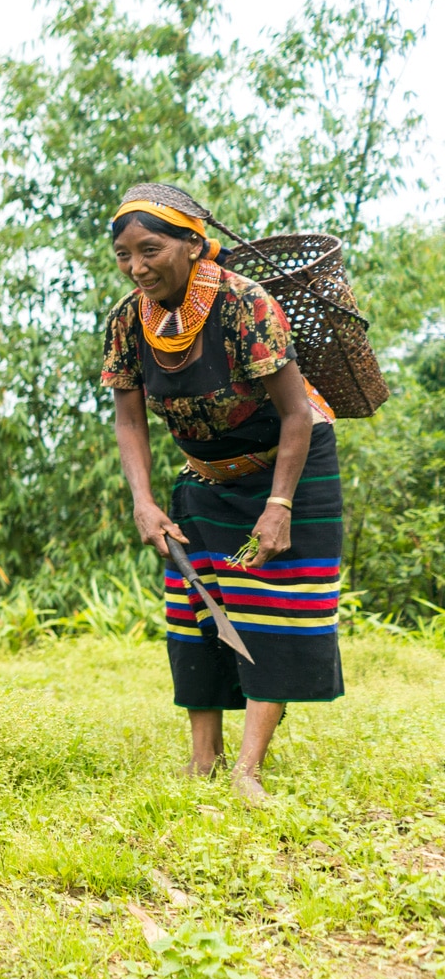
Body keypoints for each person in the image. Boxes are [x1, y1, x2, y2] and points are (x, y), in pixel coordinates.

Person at [102, 183, 343, 805]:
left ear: (192, 243)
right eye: (125, 255)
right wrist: (144, 501)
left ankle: (247, 770)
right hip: (204, 473)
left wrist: (279, 506)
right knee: (197, 608)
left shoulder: (245, 306)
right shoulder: (128, 320)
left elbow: (296, 414)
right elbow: (129, 420)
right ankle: (202, 760)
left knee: (275, 605)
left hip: (289, 462)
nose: (137, 267)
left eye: (150, 249)